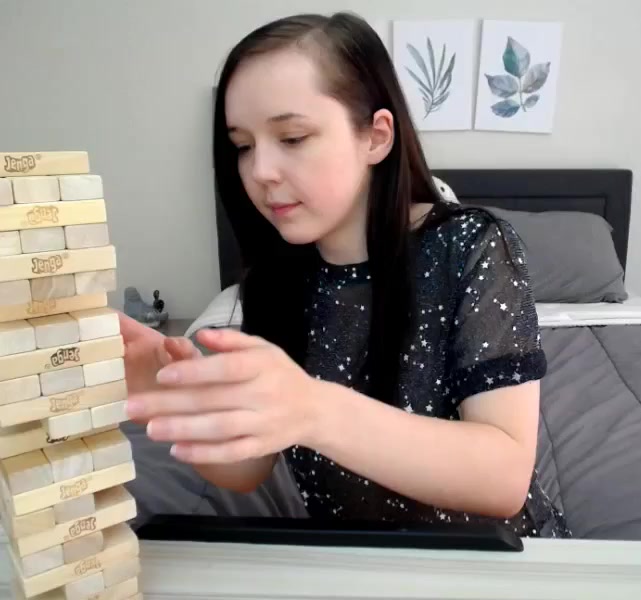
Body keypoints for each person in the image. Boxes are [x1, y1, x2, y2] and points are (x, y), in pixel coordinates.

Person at [120, 11, 570, 539]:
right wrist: (176, 403)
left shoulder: (471, 246)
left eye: (292, 137)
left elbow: (504, 478)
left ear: (376, 137)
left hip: (496, 559)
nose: (260, 171)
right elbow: (249, 469)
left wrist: (313, 409)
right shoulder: (273, 281)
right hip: (352, 561)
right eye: (243, 145)